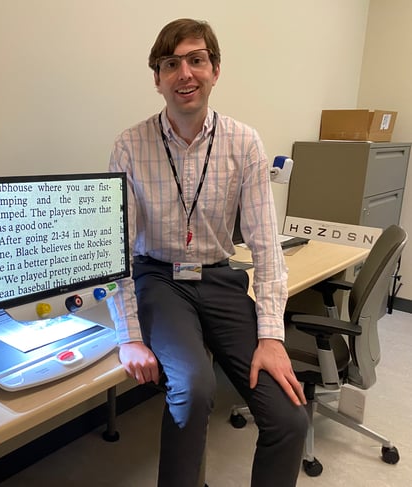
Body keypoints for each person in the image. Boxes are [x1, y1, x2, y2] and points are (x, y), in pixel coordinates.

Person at [107, 18, 309, 486]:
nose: (185, 73)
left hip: (219, 278)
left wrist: (272, 337)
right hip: (160, 279)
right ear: (157, 78)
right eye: (170, 63)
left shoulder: (244, 142)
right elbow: (117, 252)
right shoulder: (129, 146)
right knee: (194, 388)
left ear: (215, 70)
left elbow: (266, 246)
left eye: (196, 60)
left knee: (289, 417)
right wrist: (129, 336)